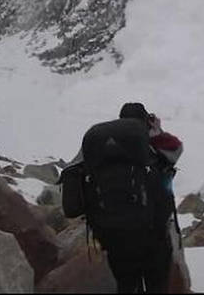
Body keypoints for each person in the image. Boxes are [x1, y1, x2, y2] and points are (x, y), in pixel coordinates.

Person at [84, 102, 183, 294]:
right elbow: (176, 149)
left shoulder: (100, 147)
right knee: (157, 285)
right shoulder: (149, 143)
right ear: (145, 121)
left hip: (113, 235)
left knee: (126, 285)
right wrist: (156, 131)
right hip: (152, 233)